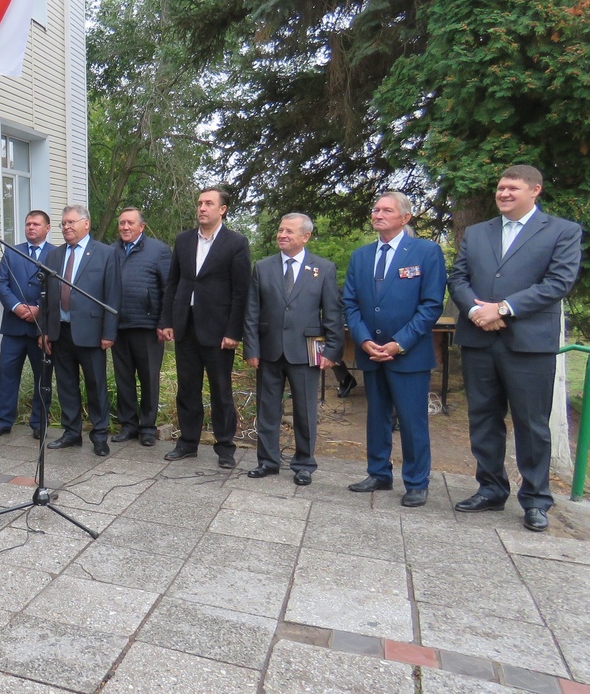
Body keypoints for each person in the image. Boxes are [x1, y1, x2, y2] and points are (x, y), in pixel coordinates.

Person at [448, 165, 582, 532]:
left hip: (528, 345)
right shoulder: (477, 233)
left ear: (535, 190)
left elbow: (559, 281)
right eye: (500, 188)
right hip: (479, 340)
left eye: (512, 188)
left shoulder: (562, 231)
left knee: (531, 424)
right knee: (484, 419)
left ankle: (536, 500)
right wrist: (476, 310)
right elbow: (458, 277)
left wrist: (504, 308)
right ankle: (490, 489)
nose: (503, 194)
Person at [342, 191, 446, 507]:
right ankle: (379, 473)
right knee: (377, 416)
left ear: (405, 217)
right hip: (371, 351)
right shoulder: (361, 256)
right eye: (375, 209)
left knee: (412, 420)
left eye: (386, 210)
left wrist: (399, 343)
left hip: (408, 353)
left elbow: (431, 305)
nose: (378, 214)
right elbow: (350, 302)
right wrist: (363, 340)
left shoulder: (426, 252)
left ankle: (416, 482)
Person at [243, 213, 344, 485]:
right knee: (267, 408)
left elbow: (332, 313)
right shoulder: (263, 267)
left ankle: (304, 464)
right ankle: (267, 461)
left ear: (305, 236)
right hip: (269, 350)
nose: (282, 235)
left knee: (305, 410)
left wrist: (332, 351)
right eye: (280, 230)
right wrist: (251, 348)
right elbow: (252, 311)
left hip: (306, 351)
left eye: (289, 231)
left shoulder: (322, 268)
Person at [161, 188, 251, 468]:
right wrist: (166, 320)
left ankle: (225, 447)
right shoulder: (184, 240)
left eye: (209, 203)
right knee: (187, 388)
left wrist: (234, 331)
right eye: (200, 203)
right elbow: (173, 283)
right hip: (185, 326)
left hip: (218, 330)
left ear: (222, 209)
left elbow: (241, 291)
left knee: (220, 391)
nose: (202, 208)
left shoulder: (236, 243)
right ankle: (188, 442)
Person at [38, 204, 120, 457]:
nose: (66, 227)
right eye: (63, 223)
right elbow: (46, 297)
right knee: (66, 384)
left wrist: (109, 332)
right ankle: (71, 432)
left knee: (96, 385)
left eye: (71, 222)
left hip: (92, 332)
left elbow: (113, 295)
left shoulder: (105, 253)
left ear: (87, 224)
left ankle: (99, 434)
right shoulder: (53, 255)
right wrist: (44, 331)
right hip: (60, 331)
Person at [0, 209, 53, 441]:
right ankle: (4, 421)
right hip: (13, 327)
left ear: (47, 228)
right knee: (7, 374)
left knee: (42, 376)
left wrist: (38, 307)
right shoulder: (12, 251)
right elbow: (1, 283)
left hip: (40, 329)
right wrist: (16, 307)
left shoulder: (56, 254)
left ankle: (39, 422)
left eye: (36, 224)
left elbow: (57, 288)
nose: (31, 228)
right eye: (27, 224)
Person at [111, 207, 172, 447]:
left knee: (149, 379)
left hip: (148, 327)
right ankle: (128, 425)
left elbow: (169, 289)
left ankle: (147, 427)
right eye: (122, 223)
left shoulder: (158, 250)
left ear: (142, 227)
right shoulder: (110, 251)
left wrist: (165, 322)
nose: (125, 227)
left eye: (130, 223)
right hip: (119, 326)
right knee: (123, 378)